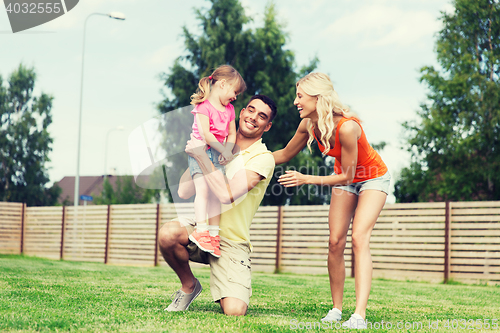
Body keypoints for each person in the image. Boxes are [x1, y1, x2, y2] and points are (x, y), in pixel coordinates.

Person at [273, 73, 390, 329]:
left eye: (300, 96)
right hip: (345, 180)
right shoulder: (308, 125)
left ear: (318, 98)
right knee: (335, 241)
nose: (295, 102)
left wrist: (306, 179)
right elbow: (284, 153)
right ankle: (337, 309)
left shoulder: (347, 127)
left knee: (359, 238)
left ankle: (359, 314)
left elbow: (348, 174)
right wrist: (246, 160)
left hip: (372, 178)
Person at [159, 95, 277, 316]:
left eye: (262, 116)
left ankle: (227, 283)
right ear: (241, 112)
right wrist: (199, 154)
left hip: (231, 241)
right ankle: (189, 286)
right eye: (250, 110)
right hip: (203, 231)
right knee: (167, 234)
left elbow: (226, 194)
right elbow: (184, 190)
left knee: (234, 311)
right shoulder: (215, 144)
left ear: (267, 126)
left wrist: (202, 157)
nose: (253, 118)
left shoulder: (263, 157)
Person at [187, 65, 246, 258]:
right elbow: (207, 135)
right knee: (202, 191)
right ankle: (201, 230)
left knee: (214, 195)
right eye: (234, 91)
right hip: (201, 151)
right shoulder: (203, 107)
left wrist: (228, 150)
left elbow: (231, 133)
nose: (235, 97)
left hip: (218, 153)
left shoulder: (230, 109)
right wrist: (224, 150)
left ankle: (213, 235)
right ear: (222, 84)